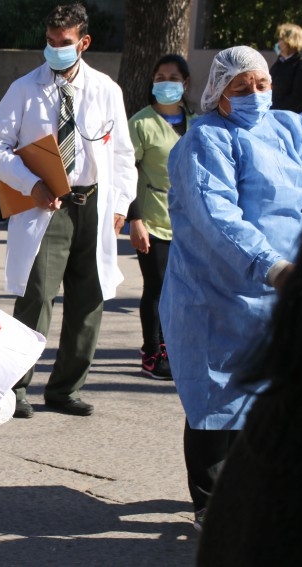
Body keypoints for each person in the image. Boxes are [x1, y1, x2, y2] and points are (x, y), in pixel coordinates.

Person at [160, 45, 302, 532]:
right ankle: (210, 503)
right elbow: (216, 216)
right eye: (240, 89)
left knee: (272, 398)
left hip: (284, 290)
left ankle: (260, 494)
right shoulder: (206, 140)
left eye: (261, 85)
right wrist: (272, 265)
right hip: (216, 289)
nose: (255, 95)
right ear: (219, 96)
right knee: (216, 398)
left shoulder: (296, 130)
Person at [0, 3, 137, 419]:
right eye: (49, 42)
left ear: (83, 42)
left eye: (63, 43)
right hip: (45, 206)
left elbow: (122, 153)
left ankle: (66, 389)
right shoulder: (24, 88)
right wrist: (30, 184)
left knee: (89, 298)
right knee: (37, 297)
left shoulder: (106, 89)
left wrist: (121, 205)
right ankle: (16, 387)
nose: (54, 50)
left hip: (93, 205)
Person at [197, 170, 302, 564]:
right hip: (236, 289)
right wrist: (271, 265)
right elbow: (215, 214)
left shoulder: (292, 416)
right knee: (215, 408)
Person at [126, 54, 195, 380]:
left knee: (182, 289)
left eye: (173, 77)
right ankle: (152, 352)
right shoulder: (141, 123)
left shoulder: (198, 122)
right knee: (158, 287)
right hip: (153, 218)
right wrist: (134, 219)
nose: (167, 83)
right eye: (160, 77)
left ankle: (174, 348)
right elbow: (125, 173)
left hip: (192, 222)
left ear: (186, 83)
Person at [269, 23, 302, 113]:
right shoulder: (282, 60)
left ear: (289, 41)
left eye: (280, 39)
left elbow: (297, 98)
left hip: (288, 116)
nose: (278, 43)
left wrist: (274, 109)